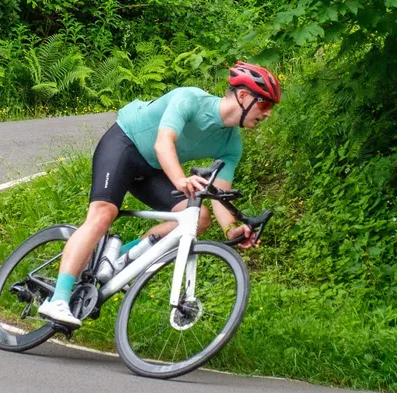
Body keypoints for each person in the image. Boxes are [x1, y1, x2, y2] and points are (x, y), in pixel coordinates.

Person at [37, 61, 282, 327]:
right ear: (243, 96)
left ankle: (122, 260)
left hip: (152, 169)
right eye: (265, 104)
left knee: (198, 218)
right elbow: (163, 143)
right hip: (124, 146)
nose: (267, 114)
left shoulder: (231, 143)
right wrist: (180, 179)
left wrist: (231, 229)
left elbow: (219, 193)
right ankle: (57, 300)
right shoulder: (190, 99)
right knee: (103, 214)